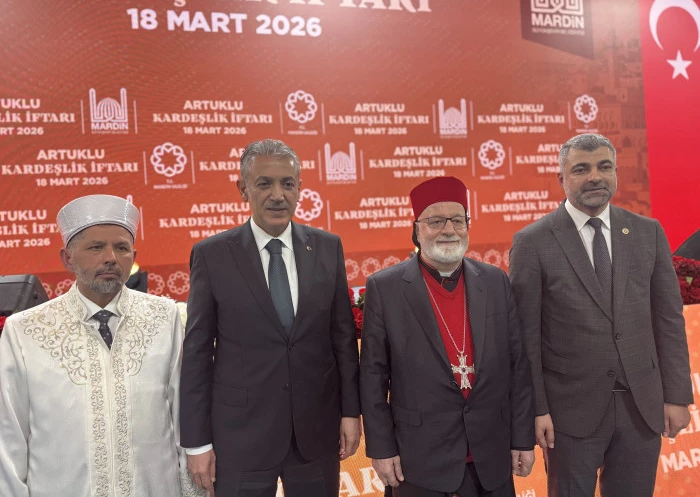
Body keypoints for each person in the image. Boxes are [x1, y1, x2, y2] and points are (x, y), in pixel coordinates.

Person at [509, 133, 693, 497]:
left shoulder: (648, 232)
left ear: (616, 173)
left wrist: (676, 396)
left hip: (642, 407)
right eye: (581, 169)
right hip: (568, 414)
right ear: (561, 178)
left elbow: (668, 321)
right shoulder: (533, 242)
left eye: (604, 167)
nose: (595, 177)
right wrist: (536, 409)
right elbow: (525, 337)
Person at [180, 139, 361, 496]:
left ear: (299, 188)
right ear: (243, 189)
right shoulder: (212, 255)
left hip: (316, 434)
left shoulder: (328, 247)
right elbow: (197, 354)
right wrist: (197, 443)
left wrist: (350, 412)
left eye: (287, 183)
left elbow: (342, 338)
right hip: (240, 438)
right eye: (264, 183)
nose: (278, 195)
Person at [0, 194, 199, 496]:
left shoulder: (163, 316)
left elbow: (185, 417)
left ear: (133, 255)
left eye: (121, 248)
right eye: (96, 247)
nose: (111, 258)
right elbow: (8, 435)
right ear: (67, 258)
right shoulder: (25, 330)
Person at [360, 176, 535, 497]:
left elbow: (518, 367)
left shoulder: (495, 281)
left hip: (490, 455)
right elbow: (373, 378)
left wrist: (523, 438)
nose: (449, 229)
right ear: (417, 229)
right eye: (436, 221)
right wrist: (381, 448)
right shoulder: (385, 288)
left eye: (457, 220)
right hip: (419, 460)